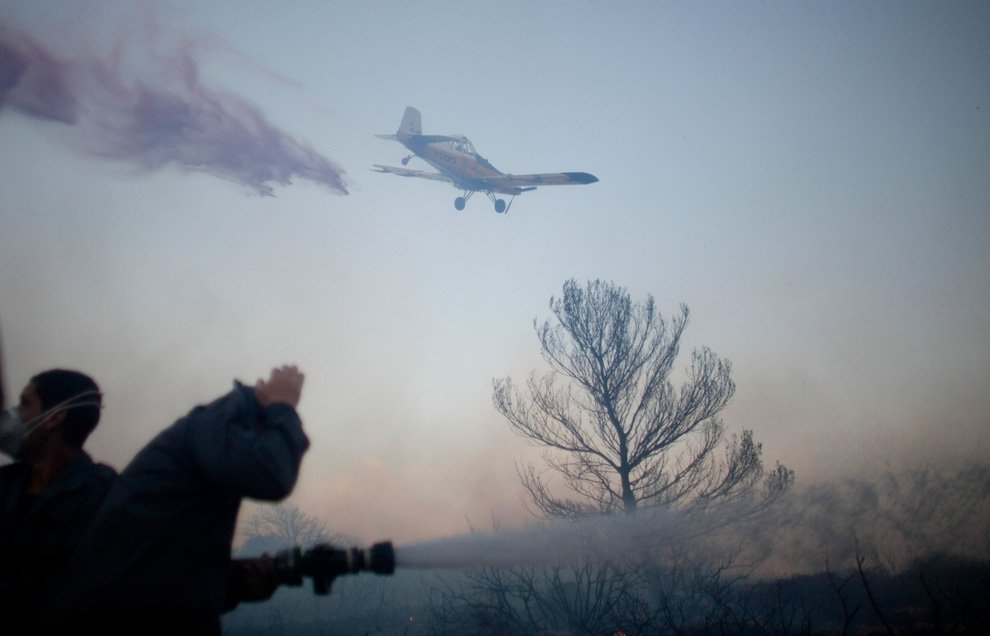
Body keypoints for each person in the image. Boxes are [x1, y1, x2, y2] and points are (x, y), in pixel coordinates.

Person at [44, 364, 309, 635]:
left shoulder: (204, 447)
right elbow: (271, 474)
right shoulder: (210, 429)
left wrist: (237, 583)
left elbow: (156, 573)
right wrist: (284, 405)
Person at [0, 369, 115, 634]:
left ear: (55, 417)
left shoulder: (101, 496)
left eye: (25, 404)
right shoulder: (5, 484)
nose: (14, 415)